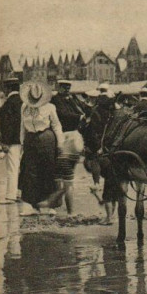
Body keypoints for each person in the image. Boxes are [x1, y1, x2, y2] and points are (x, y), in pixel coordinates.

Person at [18, 81, 65, 216]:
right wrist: (22, 143)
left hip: (46, 138)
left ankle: (51, 205)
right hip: (30, 139)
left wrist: (60, 143)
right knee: (30, 172)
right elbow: (22, 126)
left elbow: (56, 125)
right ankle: (32, 205)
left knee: (48, 170)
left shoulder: (50, 107)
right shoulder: (24, 107)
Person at [50, 79, 86, 215]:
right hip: (62, 136)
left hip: (72, 136)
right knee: (61, 174)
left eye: (68, 87)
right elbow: (63, 115)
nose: (67, 89)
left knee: (63, 173)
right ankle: (61, 207)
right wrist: (80, 117)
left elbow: (82, 109)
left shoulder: (71, 99)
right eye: (64, 87)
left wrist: (82, 113)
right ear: (58, 87)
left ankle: (62, 208)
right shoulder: (55, 100)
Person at [0, 78, 23, 207]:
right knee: (21, 167)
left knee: (12, 168)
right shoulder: (24, 102)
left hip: (13, 141)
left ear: (8, 88)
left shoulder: (8, 104)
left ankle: (11, 195)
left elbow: (8, 125)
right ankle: (20, 192)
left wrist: (5, 143)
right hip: (25, 140)